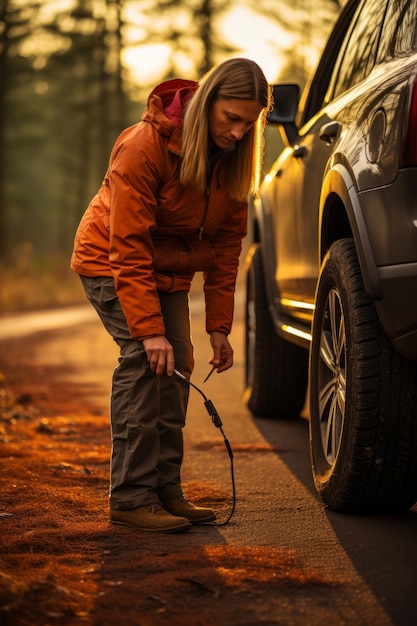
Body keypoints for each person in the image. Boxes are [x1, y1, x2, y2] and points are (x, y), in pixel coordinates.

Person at [71, 57, 271, 533]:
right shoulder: (144, 146)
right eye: (232, 119)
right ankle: (130, 497)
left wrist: (219, 326)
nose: (240, 133)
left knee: (177, 365)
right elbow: (129, 246)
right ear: (207, 104)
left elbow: (226, 248)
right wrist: (147, 330)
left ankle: (165, 491)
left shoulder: (235, 161)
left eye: (250, 123)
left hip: (168, 272)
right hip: (112, 262)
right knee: (146, 360)